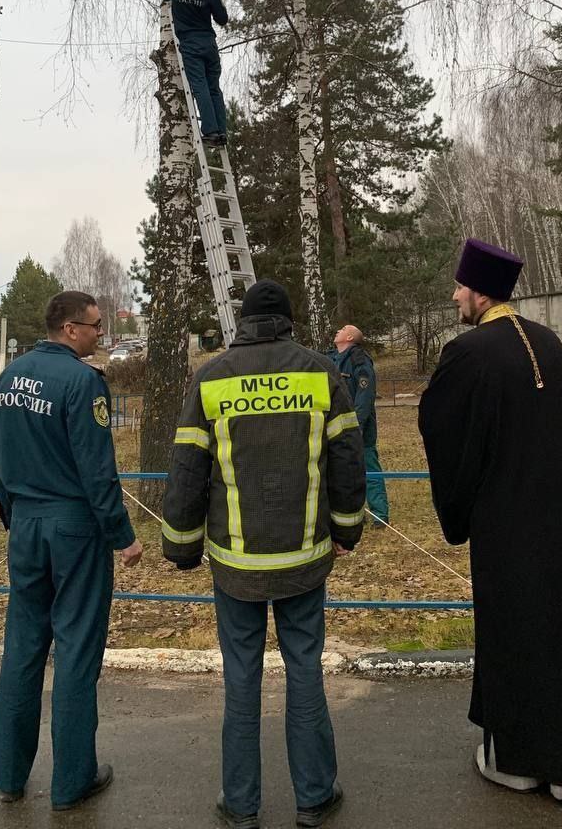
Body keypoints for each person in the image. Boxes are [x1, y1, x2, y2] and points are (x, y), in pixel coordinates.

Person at [418, 239, 562, 800]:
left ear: (480, 291)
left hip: (505, 525)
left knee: (517, 635)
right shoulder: (551, 344)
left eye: (459, 287)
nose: (454, 295)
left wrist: (459, 509)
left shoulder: (467, 353)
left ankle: (523, 762)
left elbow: (445, 432)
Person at [162, 279, 366, 829]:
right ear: (288, 321)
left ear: (243, 322)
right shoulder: (321, 373)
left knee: (241, 679)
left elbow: (187, 469)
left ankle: (241, 803)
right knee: (304, 674)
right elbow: (348, 458)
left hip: (236, 565)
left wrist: (180, 545)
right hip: (304, 558)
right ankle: (315, 797)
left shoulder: (211, 379)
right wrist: (349, 528)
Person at [0, 290, 143, 811]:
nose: (101, 334)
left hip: (27, 525)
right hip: (74, 528)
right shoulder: (82, 383)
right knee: (77, 652)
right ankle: (71, 781)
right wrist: (123, 536)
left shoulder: (8, 377)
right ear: (71, 329)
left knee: (23, 650)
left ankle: (10, 777)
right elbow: (98, 471)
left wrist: (13, 513)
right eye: (96, 326)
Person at [158, 0, 229, 145]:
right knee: (214, 88)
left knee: (199, 87)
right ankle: (221, 131)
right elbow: (222, 19)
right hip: (209, 43)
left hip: (190, 44)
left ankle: (210, 131)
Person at [330, 324, 389, 527]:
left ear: (348, 337)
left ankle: (379, 514)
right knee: (345, 472)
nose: (337, 330)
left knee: (369, 468)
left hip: (359, 428)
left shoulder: (359, 360)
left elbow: (365, 396)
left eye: (342, 328)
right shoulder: (331, 359)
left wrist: (356, 425)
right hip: (336, 428)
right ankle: (355, 513)